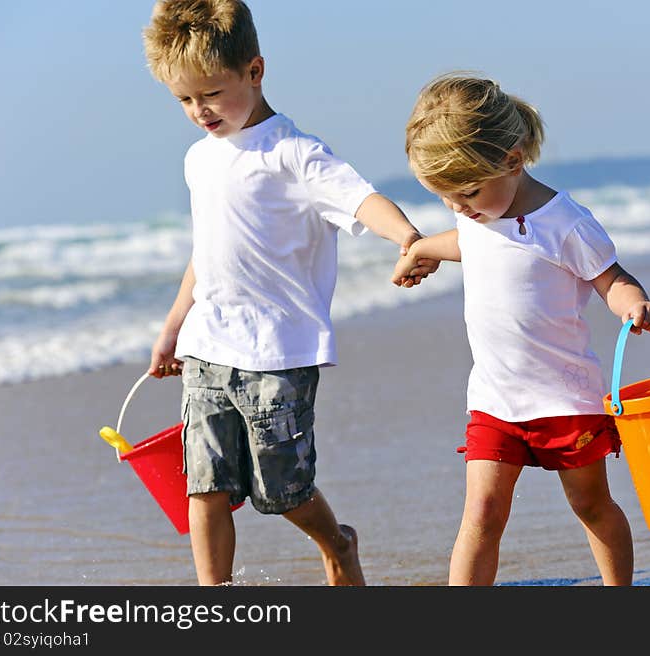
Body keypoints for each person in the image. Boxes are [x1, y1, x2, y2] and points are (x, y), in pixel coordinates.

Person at [141, 0, 437, 586]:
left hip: (278, 353)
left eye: (212, 93)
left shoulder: (294, 152)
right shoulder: (200, 159)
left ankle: (338, 543)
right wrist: (175, 324)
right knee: (205, 483)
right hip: (207, 346)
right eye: (184, 99)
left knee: (282, 489)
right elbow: (208, 253)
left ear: (255, 72)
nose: (199, 111)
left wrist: (408, 237)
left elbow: (360, 199)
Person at [393, 73, 650, 586]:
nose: (460, 207)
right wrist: (422, 249)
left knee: (591, 505)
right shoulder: (478, 216)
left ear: (513, 160)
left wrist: (635, 305)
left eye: (468, 192)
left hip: (564, 400)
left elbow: (610, 278)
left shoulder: (566, 223)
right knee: (481, 514)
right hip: (495, 401)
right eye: (446, 197)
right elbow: (468, 240)